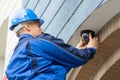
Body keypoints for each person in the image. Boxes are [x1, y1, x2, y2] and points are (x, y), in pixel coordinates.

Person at [5, 8, 98, 80]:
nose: (42, 30)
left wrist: (77, 49)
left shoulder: (11, 65)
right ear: (28, 27)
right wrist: (90, 50)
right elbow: (77, 58)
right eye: (38, 26)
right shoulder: (37, 42)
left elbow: (50, 70)